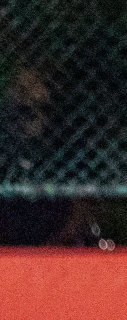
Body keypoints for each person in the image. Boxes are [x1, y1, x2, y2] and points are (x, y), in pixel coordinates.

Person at [0, 67, 98, 245]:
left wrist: (55, 244)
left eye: (39, 109)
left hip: (51, 239)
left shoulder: (62, 151)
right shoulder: (6, 150)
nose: (28, 119)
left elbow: (83, 204)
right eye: (22, 111)